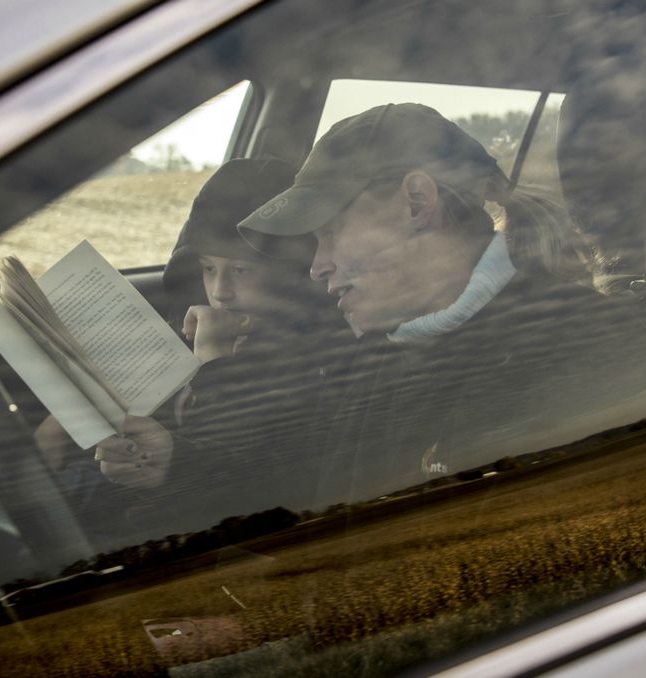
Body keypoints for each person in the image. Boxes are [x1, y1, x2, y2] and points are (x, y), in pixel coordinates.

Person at [232, 102, 605, 507]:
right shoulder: (374, 354)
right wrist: (173, 457)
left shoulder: (572, 351)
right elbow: (298, 482)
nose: (316, 268)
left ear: (417, 202)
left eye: (330, 233)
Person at [43, 158, 350, 535]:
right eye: (208, 269)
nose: (220, 292)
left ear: (289, 276)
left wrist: (214, 362)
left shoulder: (314, 360)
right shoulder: (192, 327)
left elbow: (232, 478)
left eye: (241, 271)